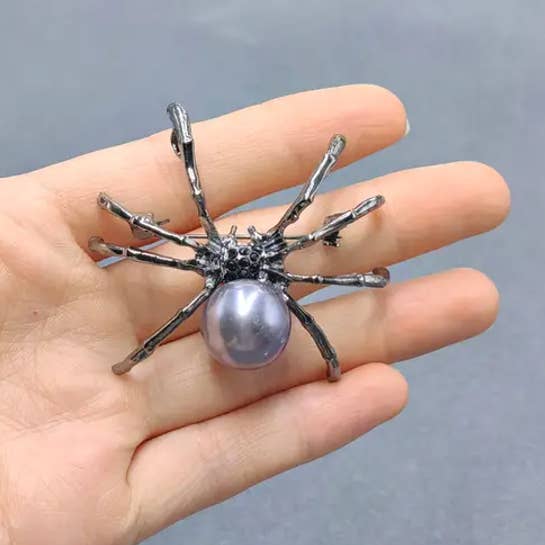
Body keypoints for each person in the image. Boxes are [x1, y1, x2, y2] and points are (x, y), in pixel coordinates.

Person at [0, 85, 509, 544]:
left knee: (214, 216)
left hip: (237, 317)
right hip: (259, 318)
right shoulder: (272, 264)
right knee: (296, 225)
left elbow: (173, 241)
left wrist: (118, 237)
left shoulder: (210, 261)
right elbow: (304, 218)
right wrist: (356, 283)